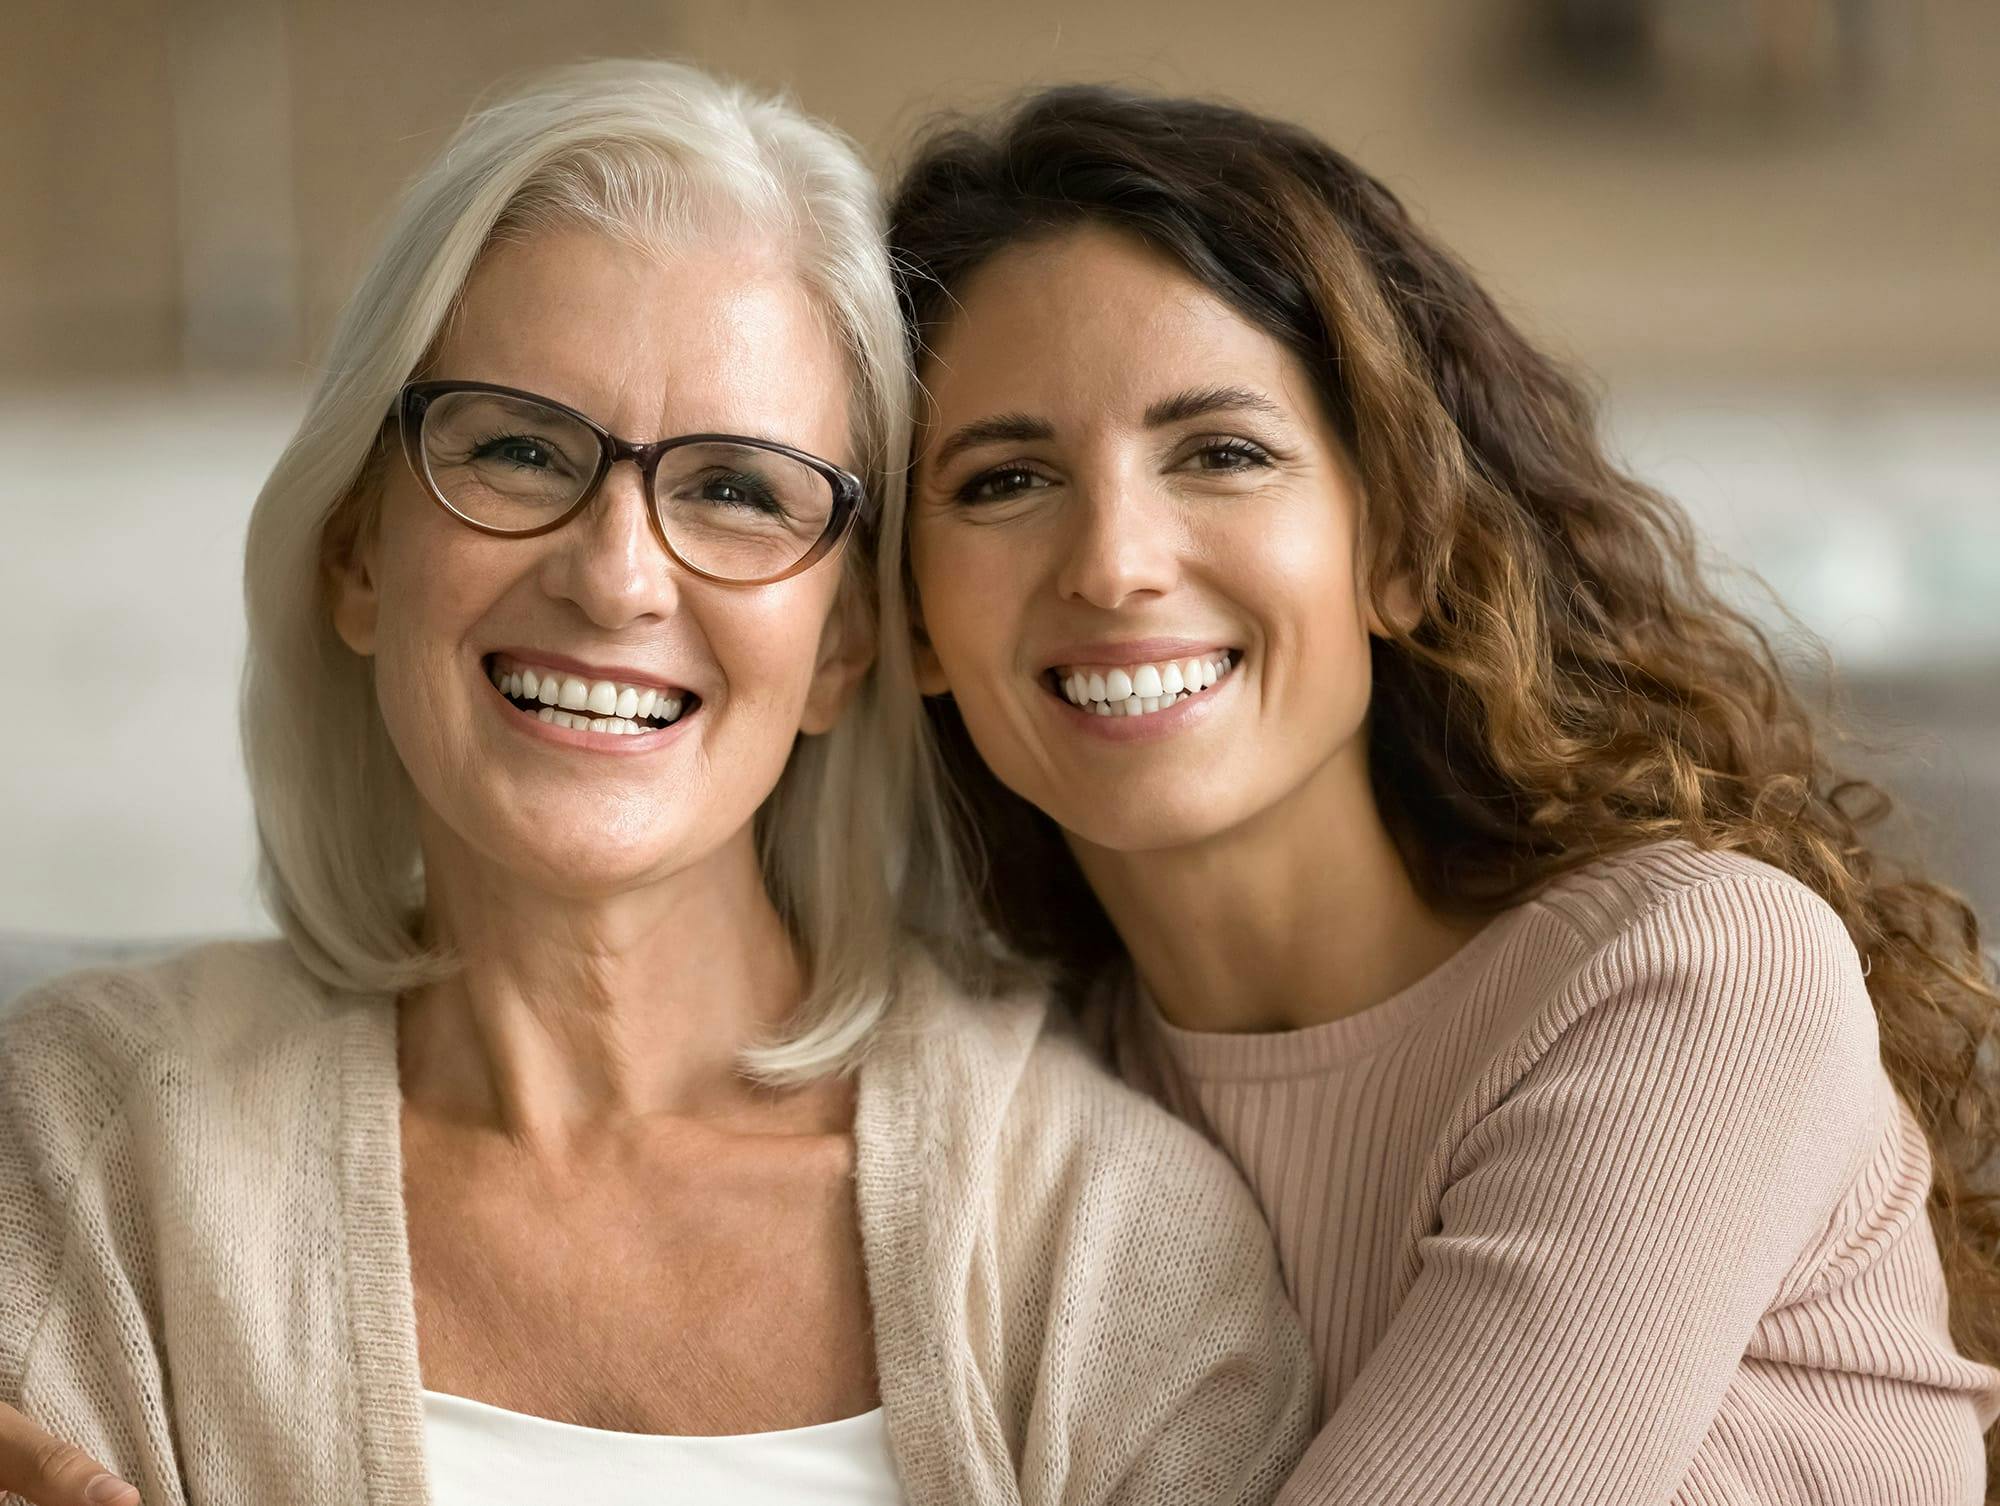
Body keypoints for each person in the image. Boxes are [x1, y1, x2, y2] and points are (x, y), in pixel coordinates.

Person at [0, 64, 1315, 1506]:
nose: (616, 573)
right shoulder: (86, 1143)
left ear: (846, 640)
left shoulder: (1107, 1240)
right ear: (358, 554)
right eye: (516, 447)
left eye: (739, 488)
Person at [884, 85, 2000, 1503]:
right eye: (1005, 478)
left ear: (1400, 548)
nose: (1114, 562)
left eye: (1220, 453)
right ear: (912, 617)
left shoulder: (1692, 977)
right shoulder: (998, 1115)